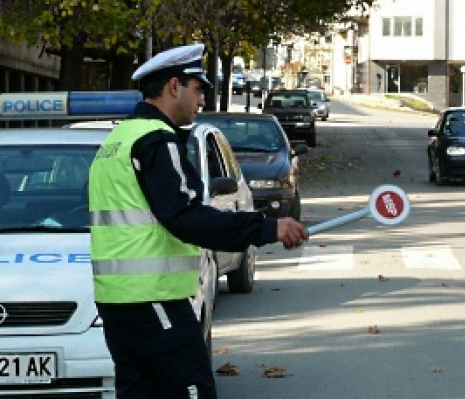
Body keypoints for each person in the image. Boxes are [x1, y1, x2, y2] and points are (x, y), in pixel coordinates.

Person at [88, 43, 308, 399]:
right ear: (174, 86)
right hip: (152, 296)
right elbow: (186, 217)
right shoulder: (157, 142)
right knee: (193, 389)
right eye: (198, 88)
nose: (202, 99)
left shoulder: (116, 141)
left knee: (140, 392)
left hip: (118, 300)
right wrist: (267, 227)